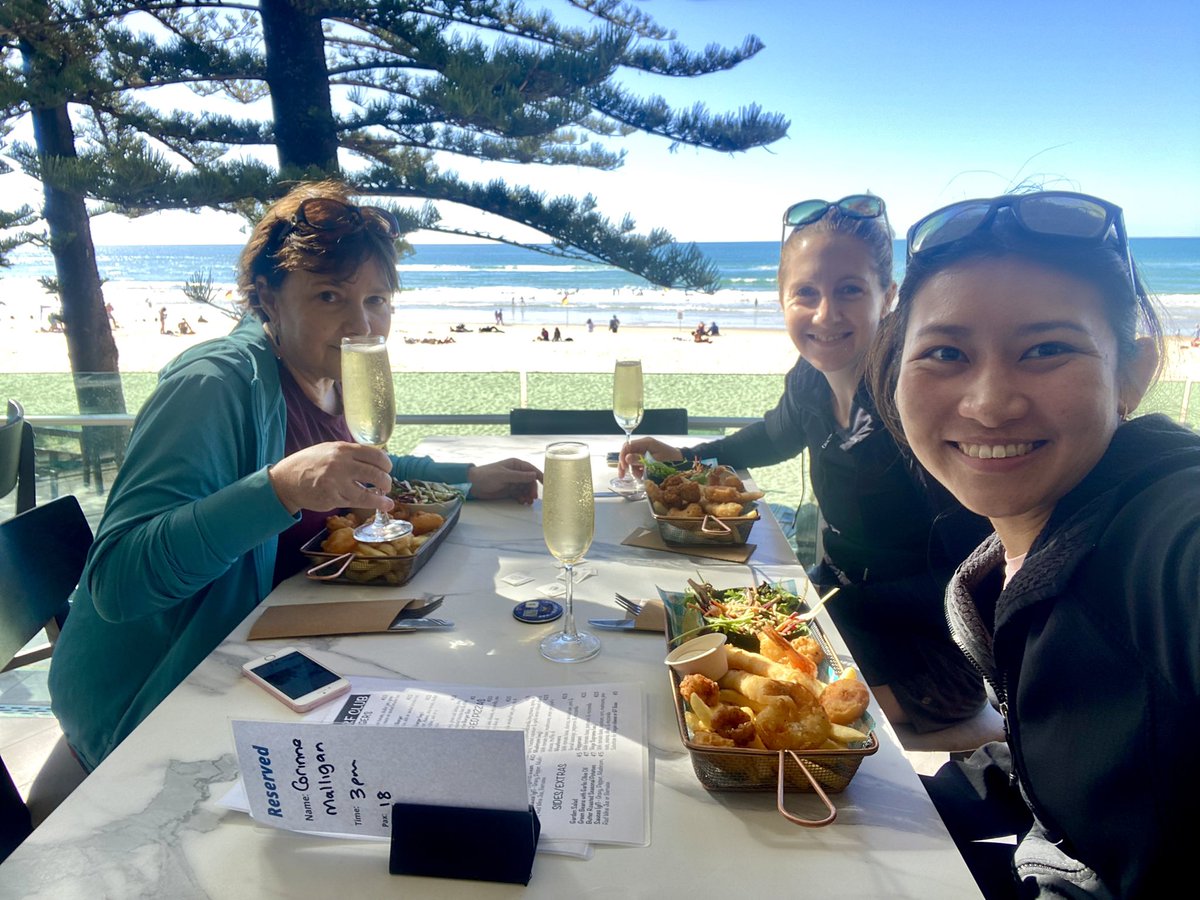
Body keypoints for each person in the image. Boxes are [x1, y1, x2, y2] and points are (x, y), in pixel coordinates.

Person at [50, 180, 543, 772]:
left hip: (275, 654)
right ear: (267, 296)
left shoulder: (333, 378)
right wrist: (279, 490)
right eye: (330, 295)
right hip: (159, 700)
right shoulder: (213, 386)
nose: (362, 325)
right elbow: (118, 583)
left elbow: (360, 465)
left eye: (377, 299)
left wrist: (467, 476)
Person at [869, 190, 1196, 898]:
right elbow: (1065, 750)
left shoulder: (1166, 533)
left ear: (1132, 374)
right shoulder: (1015, 560)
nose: (990, 403)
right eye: (946, 353)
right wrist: (893, 806)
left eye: (1047, 349)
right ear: (895, 378)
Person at [620, 195, 989, 732]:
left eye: (849, 290)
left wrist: (836, 608)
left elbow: (975, 562)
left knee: (762, 721)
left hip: (926, 655)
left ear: (888, 297)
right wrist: (685, 458)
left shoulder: (912, 397)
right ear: (782, 299)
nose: (825, 314)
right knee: (681, 657)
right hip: (836, 604)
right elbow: (775, 435)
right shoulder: (811, 377)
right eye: (806, 293)